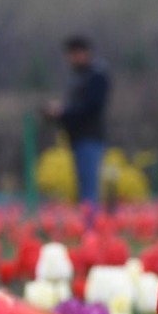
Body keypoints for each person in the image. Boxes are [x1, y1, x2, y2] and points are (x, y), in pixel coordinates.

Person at [45, 36, 110, 209]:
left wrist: (64, 112)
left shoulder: (96, 76)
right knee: (84, 188)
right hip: (77, 138)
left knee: (89, 189)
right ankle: (88, 229)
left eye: (74, 54)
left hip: (89, 137)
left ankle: (91, 231)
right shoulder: (78, 77)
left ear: (84, 53)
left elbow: (91, 107)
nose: (71, 59)